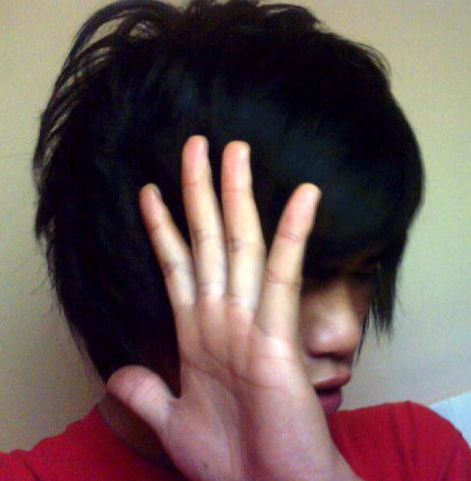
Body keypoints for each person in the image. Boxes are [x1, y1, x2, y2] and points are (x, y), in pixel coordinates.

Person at [1, 0, 470, 479]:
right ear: (131, 275)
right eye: (284, 276)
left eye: (365, 271)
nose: (345, 333)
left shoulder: (418, 453)